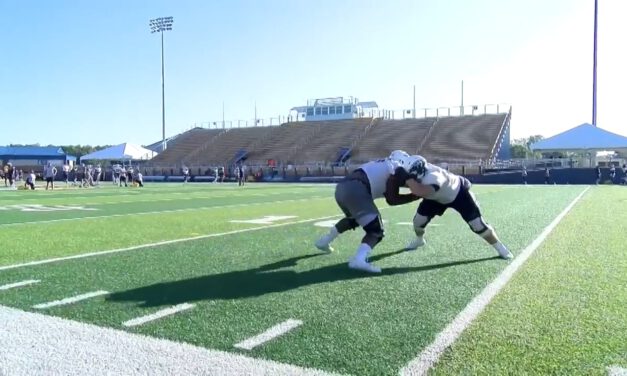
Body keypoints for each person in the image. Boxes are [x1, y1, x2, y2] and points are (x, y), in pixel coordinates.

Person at [314, 151, 420, 273]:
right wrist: (415, 196)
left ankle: (324, 241)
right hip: (357, 189)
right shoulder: (396, 166)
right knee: (376, 230)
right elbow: (392, 199)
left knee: (354, 220)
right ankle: (359, 260)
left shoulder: (380, 164)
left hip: (341, 189)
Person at [402, 155, 513, 260]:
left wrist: (408, 179)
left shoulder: (433, 176)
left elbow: (420, 191)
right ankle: (419, 240)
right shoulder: (417, 169)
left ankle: (500, 247)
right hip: (436, 197)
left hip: (458, 193)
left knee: (478, 225)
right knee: (418, 222)